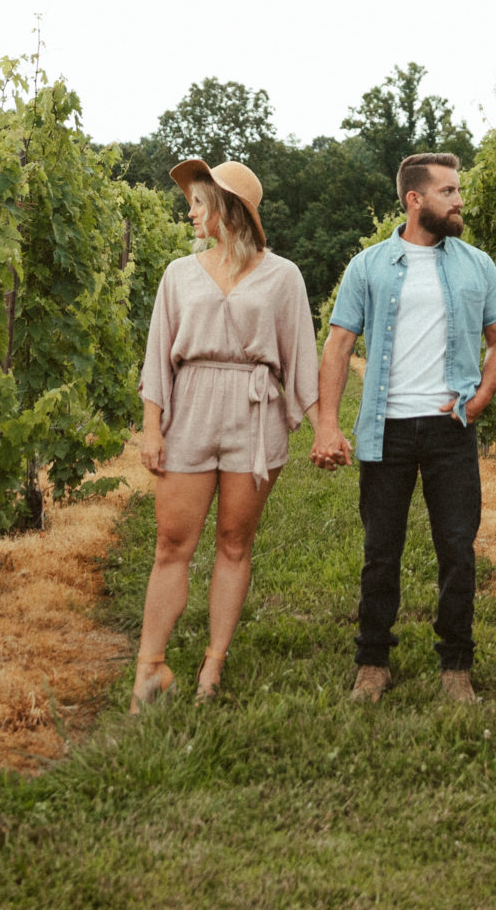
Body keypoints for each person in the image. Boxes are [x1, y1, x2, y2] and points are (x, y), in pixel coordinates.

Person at [310, 153, 496, 702]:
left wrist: (481, 399)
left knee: (457, 547)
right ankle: (373, 662)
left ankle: (456, 667)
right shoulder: (368, 266)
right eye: (448, 191)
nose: (459, 200)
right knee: (382, 550)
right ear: (414, 200)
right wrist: (326, 425)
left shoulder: (478, 264)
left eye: (458, 190)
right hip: (387, 428)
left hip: (451, 427)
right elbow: (338, 344)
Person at [130, 158, 318, 708]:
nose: (190, 214)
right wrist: (151, 426)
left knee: (235, 543)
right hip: (189, 407)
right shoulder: (177, 274)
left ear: (225, 207)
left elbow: (300, 351)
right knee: (171, 543)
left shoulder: (283, 275)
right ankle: (151, 667)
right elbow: (157, 357)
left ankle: (212, 665)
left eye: (197, 202)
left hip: (253, 412)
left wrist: (321, 427)